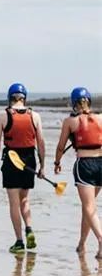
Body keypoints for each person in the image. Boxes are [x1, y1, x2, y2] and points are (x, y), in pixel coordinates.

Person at [0, 83, 45, 254]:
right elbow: (41, 142)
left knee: (14, 203)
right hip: (30, 159)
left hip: (11, 160)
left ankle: (19, 241)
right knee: (25, 200)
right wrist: (43, 165)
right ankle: (29, 228)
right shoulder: (35, 116)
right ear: (24, 98)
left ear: (9, 98)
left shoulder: (2, 116)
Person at [53, 87, 102, 259]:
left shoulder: (70, 122)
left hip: (85, 166)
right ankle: (82, 244)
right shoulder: (101, 118)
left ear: (74, 103)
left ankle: (101, 240)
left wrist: (57, 163)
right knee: (89, 207)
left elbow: (60, 146)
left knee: (89, 207)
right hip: (101, 164)